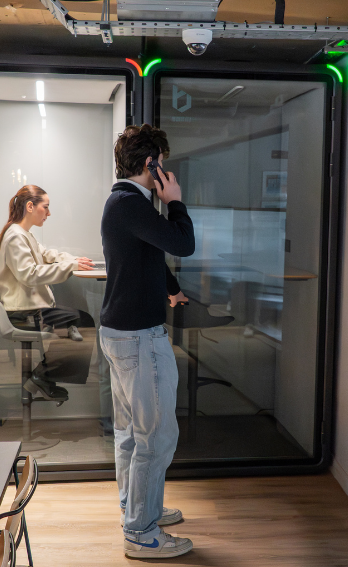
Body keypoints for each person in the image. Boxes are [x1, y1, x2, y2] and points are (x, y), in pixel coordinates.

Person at [99, 124, 195, 559]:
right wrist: (175, 202)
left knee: (130, 432)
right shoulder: (131, 204)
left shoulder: (124, 203)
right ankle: (141, 532)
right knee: (155, 436)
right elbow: (181, 242)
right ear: (150, 165)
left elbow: (150, 255)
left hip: (121, 333)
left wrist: (170, 287)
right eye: (162, 164)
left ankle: (136, 506)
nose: (166, 172)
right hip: (138, 338)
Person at [0, 184, 96, 401]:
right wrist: (71, 267)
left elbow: (46, 254)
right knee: (84, 322)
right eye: (46, 207)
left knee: (81, 321)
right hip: (24, 312)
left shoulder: (23, 234)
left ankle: (44, 376)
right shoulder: (16, 236)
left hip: (30, 308)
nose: (49, 213)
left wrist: (72, 260)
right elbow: (29, 275)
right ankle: (42, 376)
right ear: (30, 206)